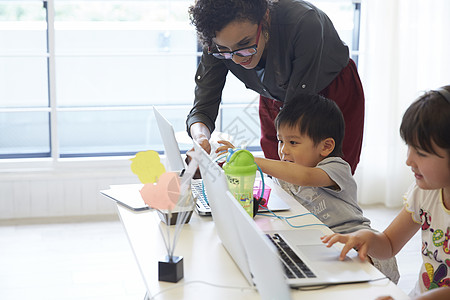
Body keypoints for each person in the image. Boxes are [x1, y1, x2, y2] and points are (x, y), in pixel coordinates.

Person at [218, 94, 399, 283]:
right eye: (281, 141)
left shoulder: (336, 167)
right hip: (320, 246)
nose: (283, 150)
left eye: (293, 142)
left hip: (360, 246)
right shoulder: (287, 173)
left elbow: (304, 177)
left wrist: (252, 159)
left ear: (326, 146)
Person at [186, 0, 365, 174]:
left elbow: (296, 115)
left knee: (328, 176)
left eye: (244, 44)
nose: (237, 59)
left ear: (265, 18)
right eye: (225, 49)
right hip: (275, 97)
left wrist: (243, 159)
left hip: (329, 93)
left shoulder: (304, 22)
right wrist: (201, 138)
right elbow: (202, 107)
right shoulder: (215, 44)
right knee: (281, 182)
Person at [321, 86, 450, 300]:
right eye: (409, 147)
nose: (409, 160)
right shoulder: (424, 193)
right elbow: (389, 243)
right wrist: (368, 238)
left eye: (421, 152)